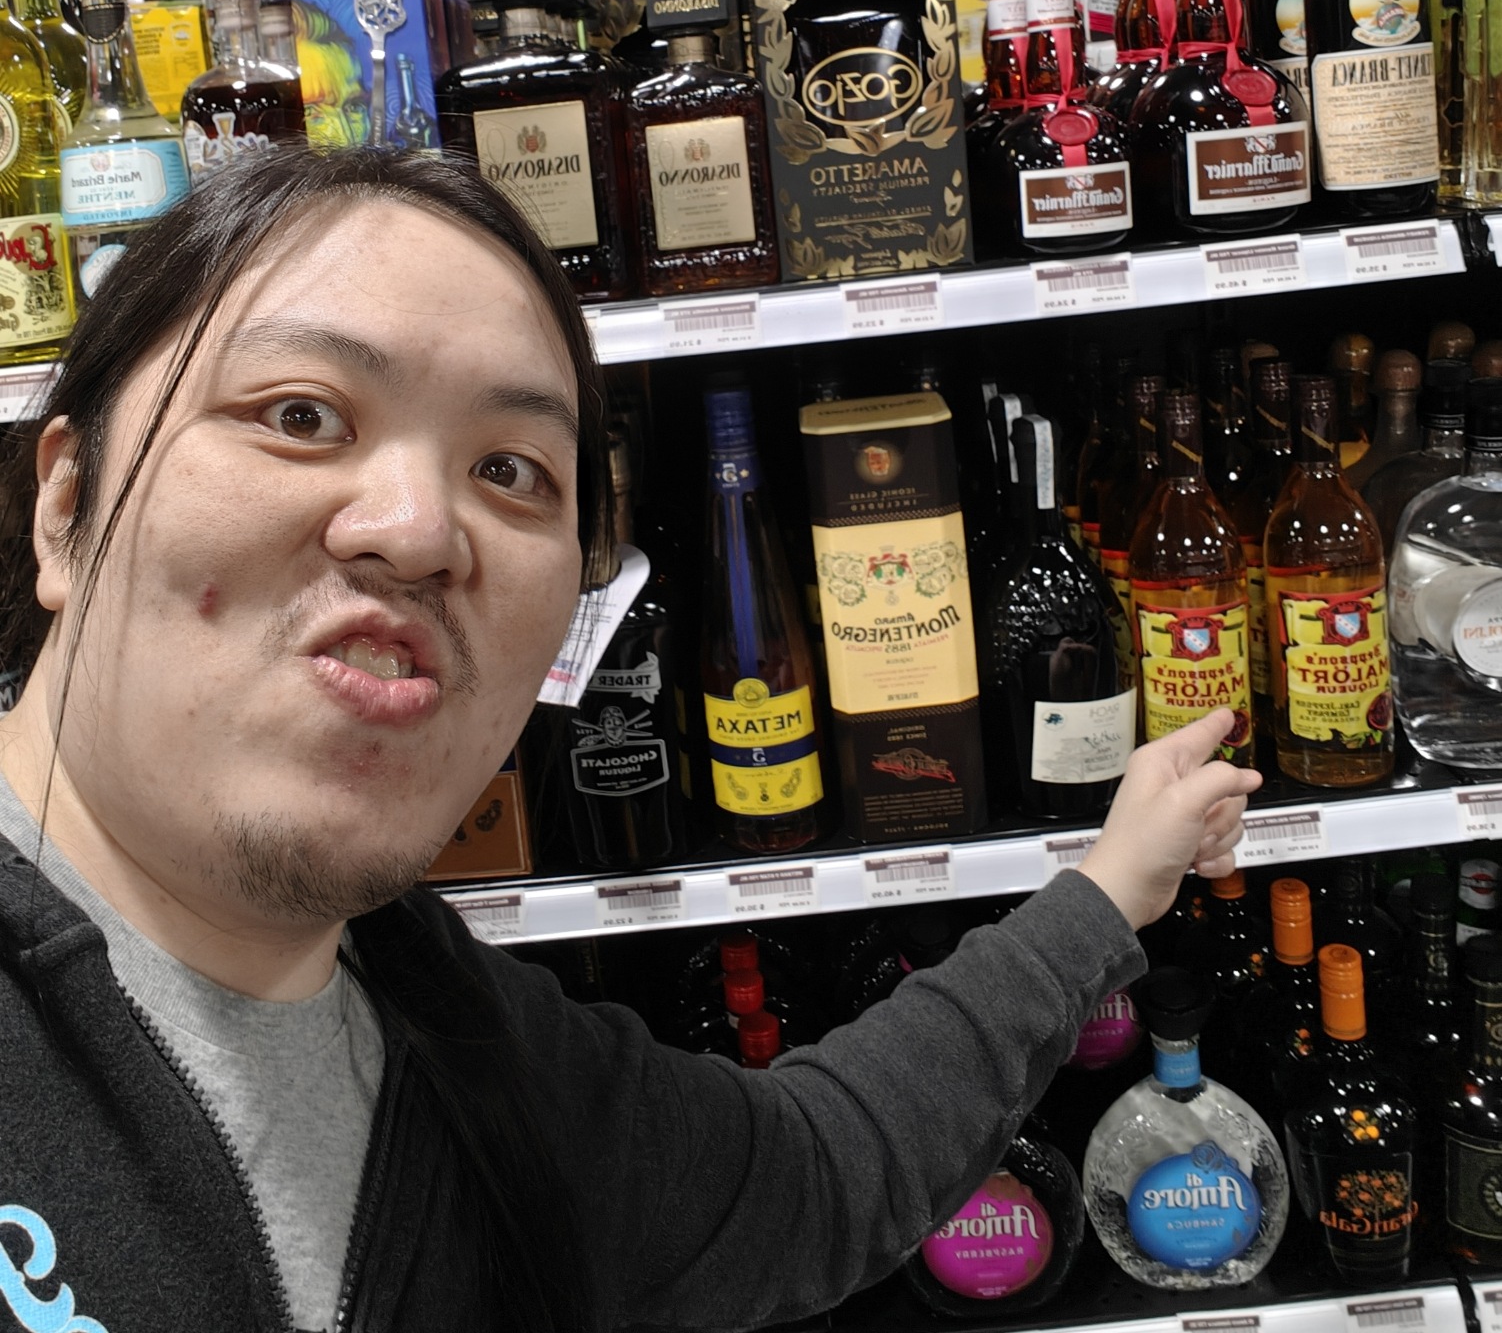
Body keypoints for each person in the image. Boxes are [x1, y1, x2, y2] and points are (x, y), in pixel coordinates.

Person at [0, 147, 1260, 1333]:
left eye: (510, 470)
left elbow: (816, 1171)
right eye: (301, 413)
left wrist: (1107, 887)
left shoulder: (455, 1030)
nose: (418, 528)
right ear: (65, 505)